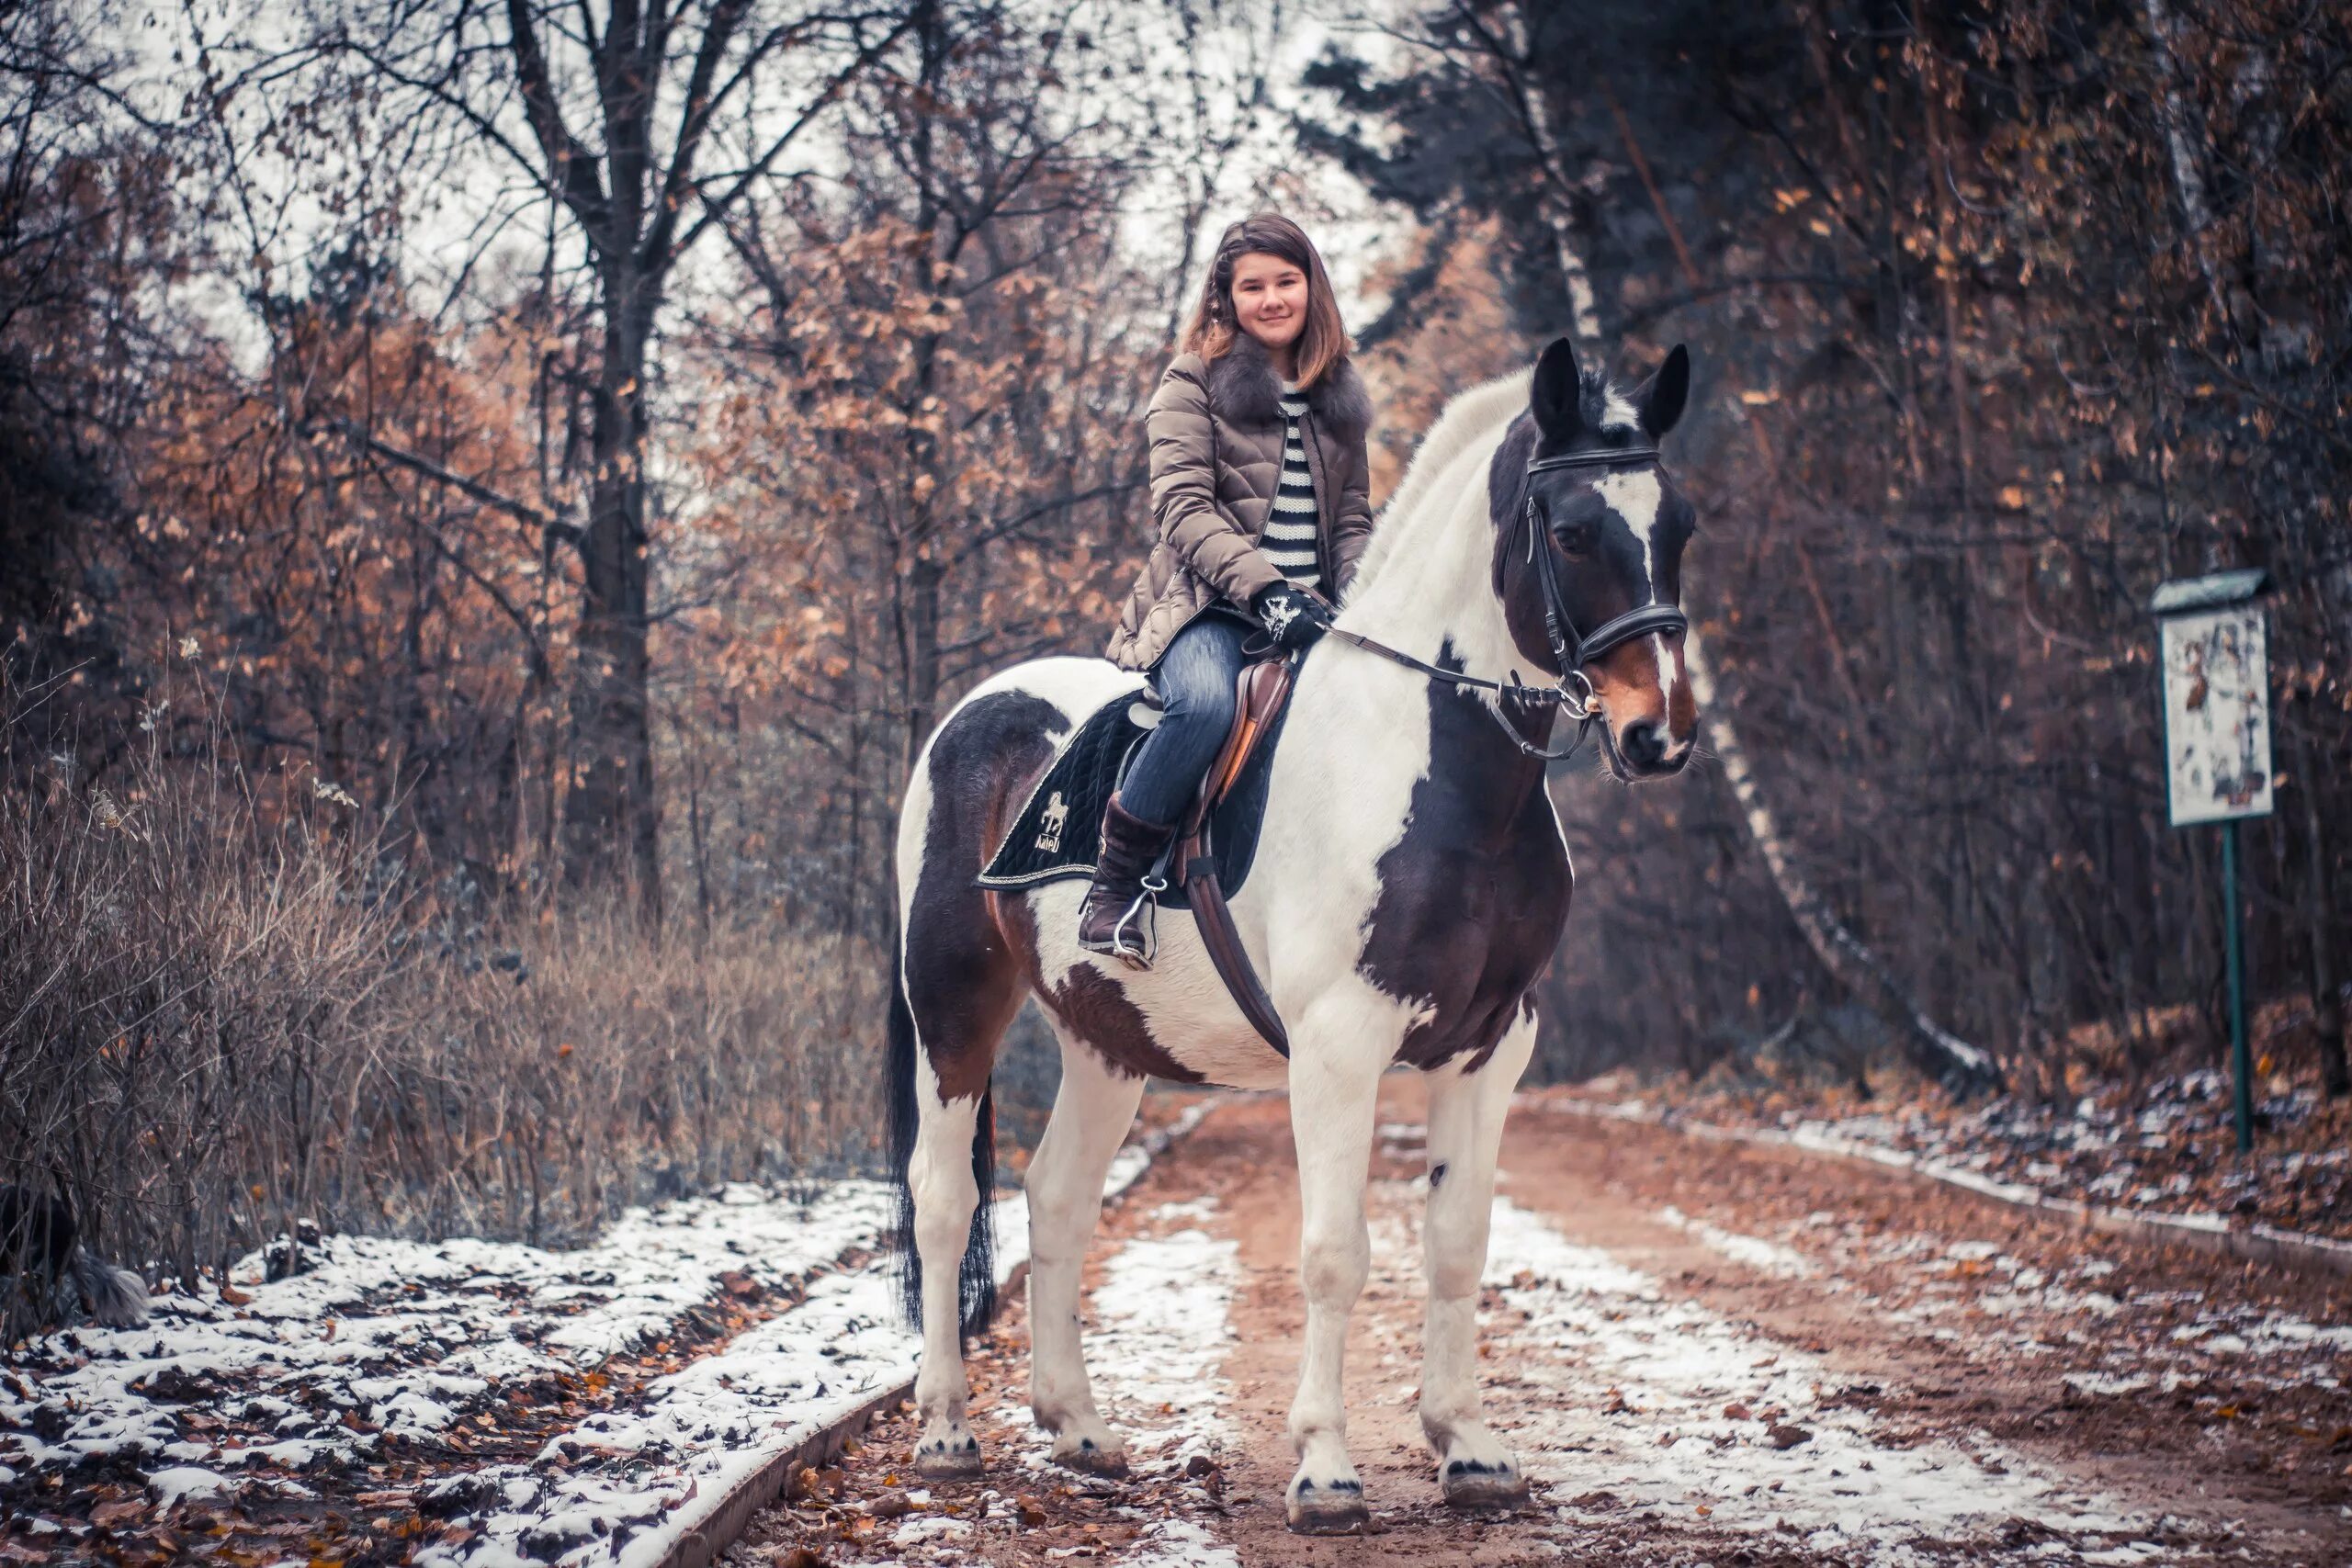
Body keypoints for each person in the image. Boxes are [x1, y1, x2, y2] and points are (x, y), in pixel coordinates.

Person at [1081, 214, 1374, 966]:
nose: (1272, 298)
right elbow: (1183, 509)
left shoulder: (1339, 395)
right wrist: (1267, 589)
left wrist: (1364, 596)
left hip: (1314, 618)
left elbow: (1350, 523)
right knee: (1205, 705)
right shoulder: (1192, 381)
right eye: (1253, 286)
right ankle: (1114, 888)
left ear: (1312, 286)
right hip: (1210, 607)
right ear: (1227, 296)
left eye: (1286, 281)